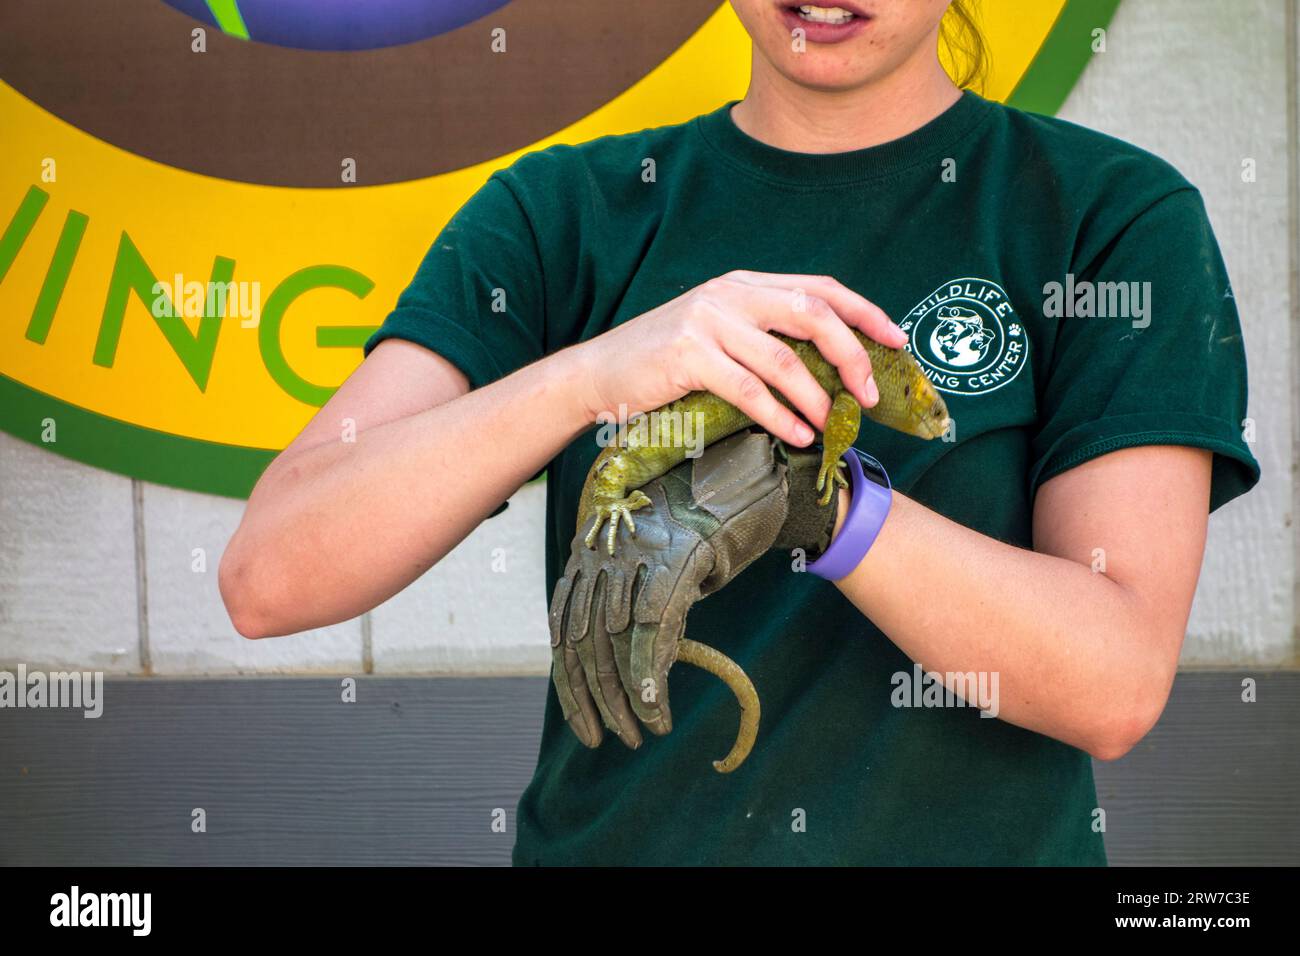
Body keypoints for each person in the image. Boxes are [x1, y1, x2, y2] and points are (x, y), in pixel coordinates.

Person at [219, 0, 1259, 865]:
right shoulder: (561, 214)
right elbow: (271, 576)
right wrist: (593, 373)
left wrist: (830, 508)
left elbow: (1113, 683)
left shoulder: (1105, 215)